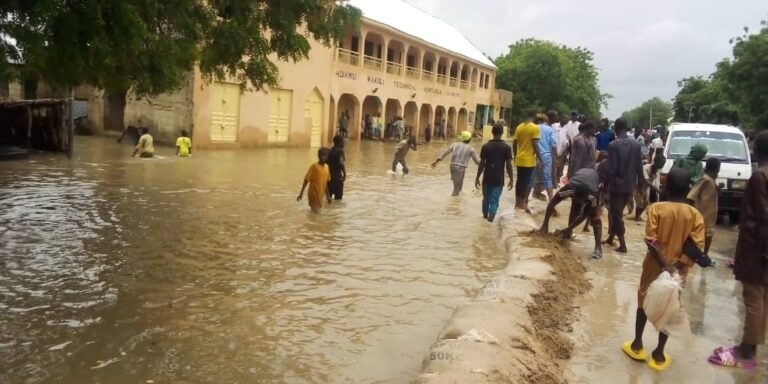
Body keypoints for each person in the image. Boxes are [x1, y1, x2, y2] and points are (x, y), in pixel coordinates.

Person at [622, 168, 708, 371]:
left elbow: (651, 241)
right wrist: (675, 266)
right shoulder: (695, 215)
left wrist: (663, 264)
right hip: (679, 270)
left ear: (666, 187)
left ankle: (637, 345)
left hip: (654, 265)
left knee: (643, 302)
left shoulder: (657, 208)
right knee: (671, 307)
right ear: (688, 190)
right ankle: (659, 354)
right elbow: (697, 246)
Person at [709, 132, 768, 369]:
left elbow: (762, 217)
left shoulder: (759, 177)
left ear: (757, 149)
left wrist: (757, 251)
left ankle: (746, 351)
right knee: (763, 296)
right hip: (762, 248)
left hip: (757, 249)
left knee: (753, 298)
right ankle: (753, 343)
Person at [539, 168, 603, 259]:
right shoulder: (569, 189)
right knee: (575, 207)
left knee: (595, 216)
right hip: (579, 177)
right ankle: (569, 233)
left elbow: (584, 215)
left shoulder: (593, 197)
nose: (579, 202)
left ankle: (598, 247)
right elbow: (552, 203)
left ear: (586, 199)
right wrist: (545, 224)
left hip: (594, 180)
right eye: (575, 199)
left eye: (582, 201)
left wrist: (569, 228)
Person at [605, 118, 643, 253]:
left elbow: (612, 169)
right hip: (630, 186)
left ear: (615, 129)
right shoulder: (636, 145)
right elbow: (640, 168)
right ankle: (610, 239)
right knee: (617, 213)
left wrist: (605, 186)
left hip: (617, 186)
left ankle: (623, 245)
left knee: (616, 215)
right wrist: (641, 187)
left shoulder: (613, 145)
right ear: (626, 128)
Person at [475, 123, 514, 222]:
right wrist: (511, 178)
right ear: (502, 132)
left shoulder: (486, 146)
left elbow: (482, 164)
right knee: (494, 200)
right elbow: (508, 165)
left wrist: (477, 177)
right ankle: (489, 222)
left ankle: (484, 219)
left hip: (487, 177)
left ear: (492, 132)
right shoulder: (506, 147)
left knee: (486, 199)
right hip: (498, 178)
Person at [687, 158, 720, 256]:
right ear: (716, 170)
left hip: (710, 213)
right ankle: (696, 253)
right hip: (702, 213)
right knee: (699, 234)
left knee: (708, 234)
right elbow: (691, 195)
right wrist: (692, 210)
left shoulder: (712, 180)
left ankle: (704, 254)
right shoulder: (705, 179)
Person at [432, 130, 481, 196]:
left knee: (459, 187)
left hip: (452, 167)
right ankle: (452, 203)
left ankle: (457, 203)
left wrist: (437, 161)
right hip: (460, 168)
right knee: (457, 188)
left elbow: (445, 152)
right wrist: (486, 163)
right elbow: (477, 161)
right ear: (469, 139)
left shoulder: (454, 145)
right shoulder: (471, 149)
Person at [513, 111, 542, 212]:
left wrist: (516, 155)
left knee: (519, 181)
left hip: (520, 159)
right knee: (526, 183)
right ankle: (521, 205)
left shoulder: (519, 127)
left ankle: (517, 203)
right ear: (534, 117)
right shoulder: (535, 128)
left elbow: (514, 142)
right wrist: (540, 158)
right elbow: (535, 144)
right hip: (529, 160)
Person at [297, 147, 332, 213]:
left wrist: (328, 196)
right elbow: (306, 180)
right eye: (321, 155)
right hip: (313, 194)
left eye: (325, 155)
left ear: (327, 157)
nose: (323, 157)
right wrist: (301, 193)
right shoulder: (314, 166)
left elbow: (325, 183)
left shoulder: (327, 167)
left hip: (320, 195)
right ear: (318, 156)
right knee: (317, 213)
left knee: (315, 213)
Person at [531, 114, 557, 201]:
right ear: (545, 121)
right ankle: (551, 201)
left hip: (533, 156)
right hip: (546, 157)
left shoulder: (533, 128)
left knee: (532, 178)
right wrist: (555, 157)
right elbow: (553, 144)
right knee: (547, 179)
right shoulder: (549, 129)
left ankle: (525, 201)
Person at [634, 153, 665, 221]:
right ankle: (636, 217)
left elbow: (655, 180)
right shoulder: (646, 167)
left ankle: (638, 216)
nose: (662, 166)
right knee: (640, 203)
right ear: (656, 162)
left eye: (663, 164)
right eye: (661, 164)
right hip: (638, 186)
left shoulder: (657, 170)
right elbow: (646, 180)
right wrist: (657, 189)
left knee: (646, 202)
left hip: (645, 187)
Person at [327, 135, 346, 201]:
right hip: (338, 179)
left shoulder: (329, 151)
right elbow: (341, 163)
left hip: (329, 179)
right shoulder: (340, 151)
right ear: (338, 142)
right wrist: (344, 174)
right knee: (338, 201)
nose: (344, 143)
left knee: (328, 199)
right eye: (343, 141)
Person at [554, 113, 570, 187]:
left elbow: (566, 140)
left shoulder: (566, 129)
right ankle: (554, 183)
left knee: (560, 169)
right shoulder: (554, 126)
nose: (567, 121)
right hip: (554, 150)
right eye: (565, 119)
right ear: (561, 118)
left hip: (562, 152)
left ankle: (557, 181)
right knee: (553, 168)